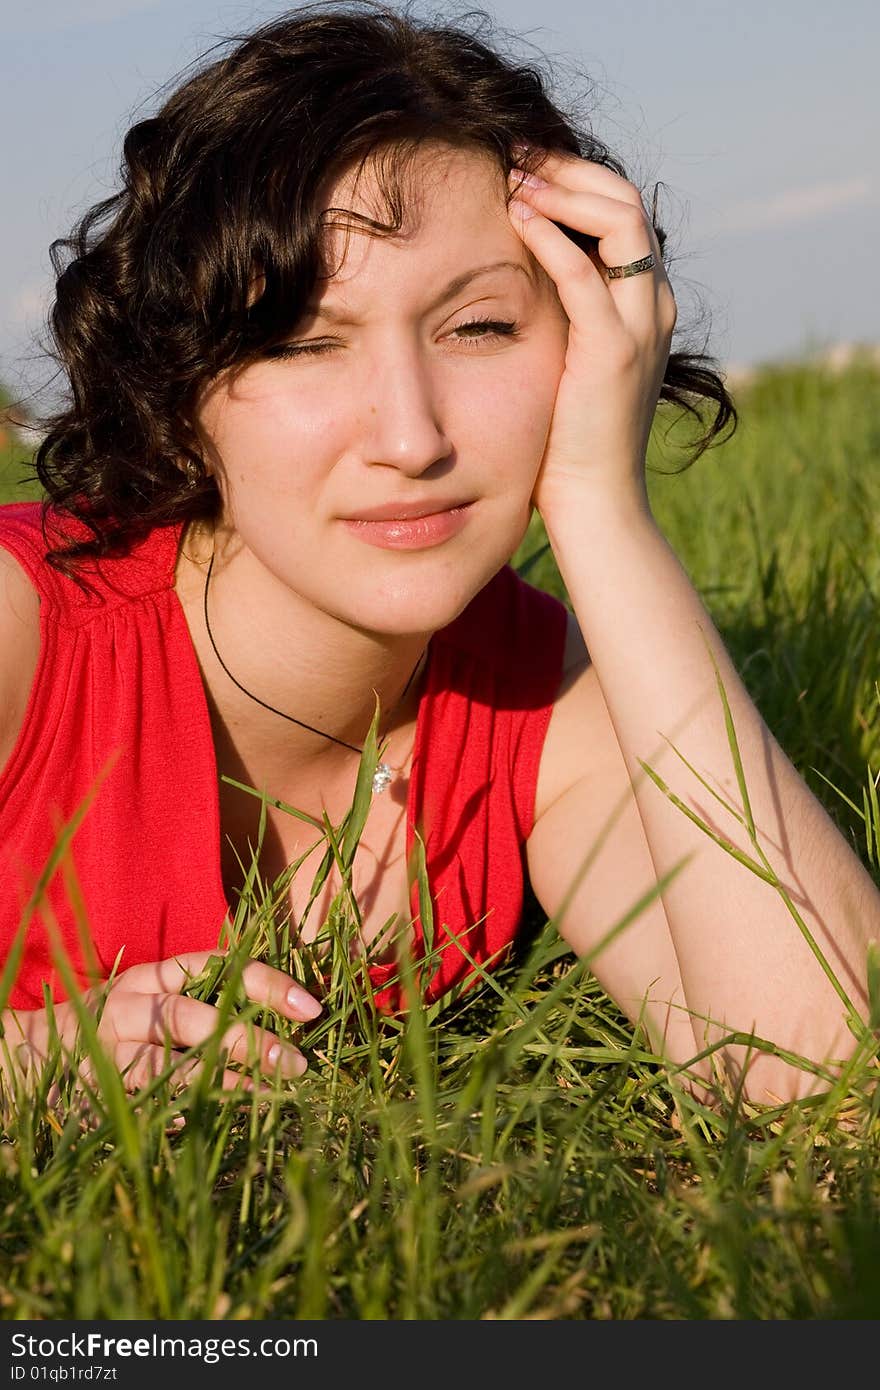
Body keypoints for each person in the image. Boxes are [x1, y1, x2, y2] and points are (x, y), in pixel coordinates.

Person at [0, 1, 877, 1114]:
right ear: (179, 393)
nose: (411, 437)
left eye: (479, 330)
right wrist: (26, 1066)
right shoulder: (25, 632)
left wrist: (602, 506)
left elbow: (826, 1085)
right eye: (307, 344)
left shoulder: (539, 698)